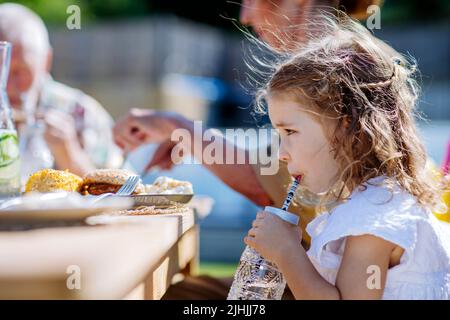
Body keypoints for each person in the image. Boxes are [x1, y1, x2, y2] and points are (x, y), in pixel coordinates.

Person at [112, 0, 383, 299]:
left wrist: (178, 128)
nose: (245, 16)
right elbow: (270, 171)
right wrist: (183, 132)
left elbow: (263, 183)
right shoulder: (345, 60)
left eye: (250, 0)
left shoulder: (343, 68)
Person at [243, 13, 450, 299]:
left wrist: (287, 253)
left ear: (346, 127)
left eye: (290, 132)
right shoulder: (372, 201)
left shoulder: (376, 215)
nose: (281, 154)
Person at [0, 3, 123, 179]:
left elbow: (126, 194)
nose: (7, 85)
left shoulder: (82, 113)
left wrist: (71, 156)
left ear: (46, 61)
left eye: (21, 71)